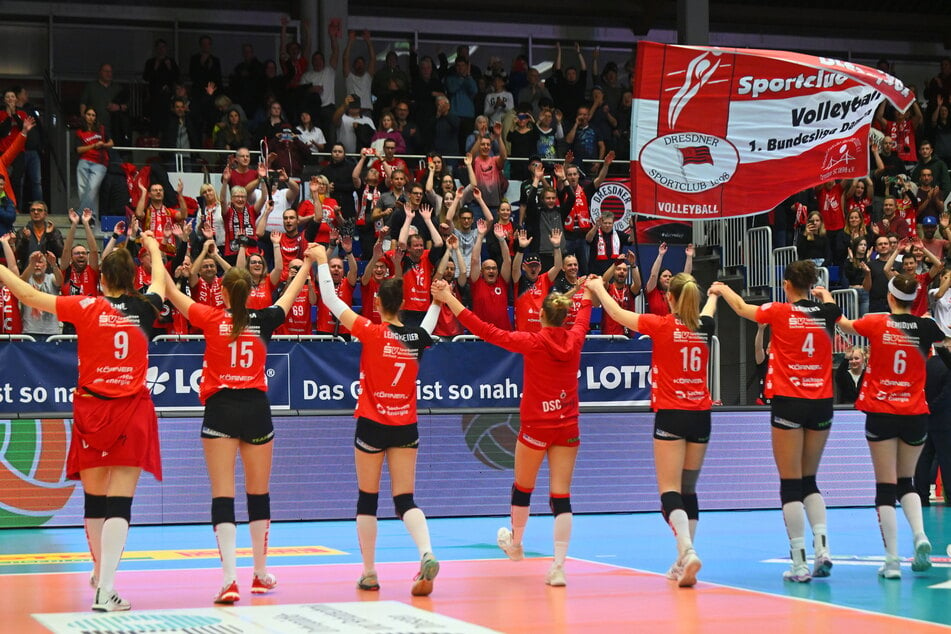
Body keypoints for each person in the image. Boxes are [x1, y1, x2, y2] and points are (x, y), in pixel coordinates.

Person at [0, 231, 165, 610]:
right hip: (131, 411)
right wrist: (154, 248)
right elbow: (159, 281)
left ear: (102, 277)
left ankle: (99, 573)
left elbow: (28, 296)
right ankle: (106, 586)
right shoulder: (145, 306)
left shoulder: (86, 305)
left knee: (95, 498)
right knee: (121, 503)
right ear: (130, 278)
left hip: (92, 408)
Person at [164, 219, 316, 606]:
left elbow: (169, 290)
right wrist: (309, 264)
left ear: (223, 292)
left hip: (219, 410)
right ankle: (260, 573)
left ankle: (229, 579)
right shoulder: (261, 319)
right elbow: (288, 294)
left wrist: (154, 253)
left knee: (222, 496)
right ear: (249, 291)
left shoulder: (210, 317)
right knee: (259, 494)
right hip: (255, 409)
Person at [432, 276, 592, 587]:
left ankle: (516, 544)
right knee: (561, 496)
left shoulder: (533, 342)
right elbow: (584, 313)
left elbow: (485, 330)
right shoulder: (576, 339)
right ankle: (558, 567)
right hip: (567, 425)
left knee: (523, 488)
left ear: (542, 316)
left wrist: (450, 299)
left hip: (536, 427)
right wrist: (587, 293)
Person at [313, 244, 442, 596]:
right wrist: (438, 299)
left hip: (372, 423)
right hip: (406, 426)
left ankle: (369, 573)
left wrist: (323, 263)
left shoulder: (371, 331)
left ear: (378, 305)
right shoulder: (416, 338)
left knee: (367, 499)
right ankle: (426, 551)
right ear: (401, 304)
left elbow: (330, 300)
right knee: (405, 499)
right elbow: (428, 325)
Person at [711, 260, 840, 582]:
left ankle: (798, 563)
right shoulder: (826, 313)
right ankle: (823, 548)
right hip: (822, 401)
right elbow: (833, 309)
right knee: (810, 480)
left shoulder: (779, 312)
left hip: (789, 402)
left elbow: (742, 308)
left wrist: (723, 288)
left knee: (790, 483)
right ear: (811, 285)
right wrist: (823, 296)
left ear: (786, 285)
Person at [588, 272, 718, 586]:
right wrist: (715, 294)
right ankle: (682, 559)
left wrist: (598, 288)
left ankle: (686, 550)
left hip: (672, 415)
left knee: (668, 492)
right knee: (688, 490)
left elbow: (618, 314)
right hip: (701, 416)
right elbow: (708, 311)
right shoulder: (705, 326)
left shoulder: (661, 325)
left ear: (670, 299)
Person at [833, 275, 948, 578]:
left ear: (891, 298)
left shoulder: (878, 323)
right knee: (906, 481)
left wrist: (829, 302)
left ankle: (893, 560)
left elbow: (843, 324)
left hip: (882, 411)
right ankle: (921, 536)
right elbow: (943, 339)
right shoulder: (927, 327)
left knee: (885, 487)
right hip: (915, 413)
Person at [75, 108, 113, 223]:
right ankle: (90, 217)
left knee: (92, 188)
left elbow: (111, 143)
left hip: (100, 162)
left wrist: (103, 144)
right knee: (82, 190)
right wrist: (93, 145)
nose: (91, 117)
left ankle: (80, 214)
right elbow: (78, 149)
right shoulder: (79, 132)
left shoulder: (101, 129)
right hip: (84, 161)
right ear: (85, 116)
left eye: (93, 115)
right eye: (89, 114)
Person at [646, 243, 694, 316]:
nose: (668, 278)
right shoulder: (653, 292)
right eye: (665, 276)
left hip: (672, 325)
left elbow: (686, 278)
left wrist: (689, 256)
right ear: (659, 279)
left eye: (670, 276)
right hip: (656, 325)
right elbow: (653, 275)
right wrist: (660, 255)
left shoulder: (675, 293)